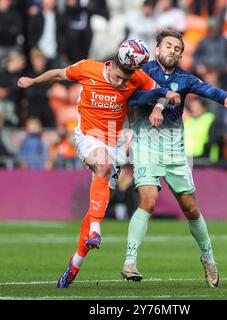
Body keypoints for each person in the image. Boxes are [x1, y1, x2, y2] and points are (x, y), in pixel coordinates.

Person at [17, 41, 181, 288]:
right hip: (88, 136)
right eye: (118, 76)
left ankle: (76, 262)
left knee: (99, 206)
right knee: (102, 167)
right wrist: (33, 81)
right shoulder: (87, 68)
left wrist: (163, 100)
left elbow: (160, 90)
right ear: (113, 63)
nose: (120, 82)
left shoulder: (136, 77)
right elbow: (58, 74)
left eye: (126, 78)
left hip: (116, 144)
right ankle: (95, 229)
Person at [121, 30, 227, 288]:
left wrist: (226, 97)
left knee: (190, 208)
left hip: (174, 150)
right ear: (157, 49)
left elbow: (208, 89)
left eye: (178, 48)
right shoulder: (142, 72)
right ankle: (130, 261)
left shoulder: (185, 78)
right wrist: (159, 96)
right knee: (148, 200)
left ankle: (209, 259)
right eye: (168, 46)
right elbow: (131, 98)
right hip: (145, 145)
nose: (173, 51)